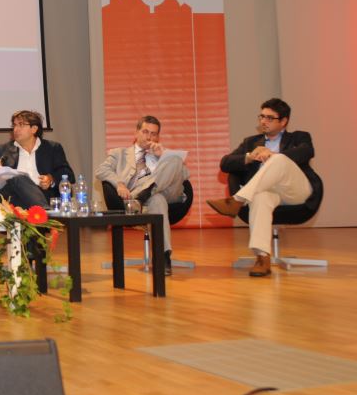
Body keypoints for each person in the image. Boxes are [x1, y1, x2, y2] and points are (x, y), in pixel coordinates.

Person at [207, 98, 319, 277]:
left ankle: (236, 201)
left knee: (279, 159)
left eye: (270, 118)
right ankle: (262, 258)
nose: (263, 121)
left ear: (283, 121)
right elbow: (225, 163)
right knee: (260, 197)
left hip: (295, 191)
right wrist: (250, 156)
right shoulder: (250, 142)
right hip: (267, 192)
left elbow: (306, 151)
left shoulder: (299, 137)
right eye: (262, 116)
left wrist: (272, 154)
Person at [95, 115, 189, 275]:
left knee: (175, 159)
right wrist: (119, 183)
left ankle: (144, 194)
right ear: (136, 133)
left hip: (169, 193)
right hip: (142, 197)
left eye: (154, 134)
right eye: (145, 132)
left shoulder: (162, 154)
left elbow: (184, 176)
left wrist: (162, 156)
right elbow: (101, 170)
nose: (149, 137)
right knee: (157, 199)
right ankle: (162, 257)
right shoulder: (119, 153)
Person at [0, 110, 74, 210]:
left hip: (43, 195)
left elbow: (68, 174)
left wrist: (51, 179)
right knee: (18, 177)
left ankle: (40, 211)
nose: (16, 129)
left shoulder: (52, 148)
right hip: (11, 199)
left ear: (34, 129)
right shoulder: (2, 150)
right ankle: (43, 212)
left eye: (21, 125)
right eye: (14, 125)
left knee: (20, 179)